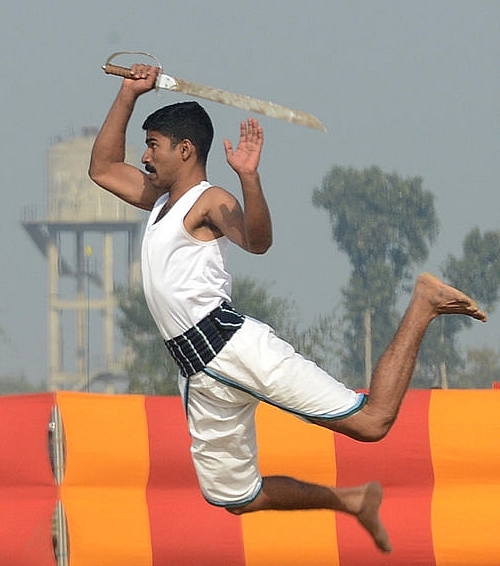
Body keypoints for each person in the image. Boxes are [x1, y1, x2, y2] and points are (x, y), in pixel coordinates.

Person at [87, 64, 487, 553]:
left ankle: (423, 303)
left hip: (231, 346)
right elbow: (102, 169)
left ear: (184, 150)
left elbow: (257, 242)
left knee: (372, 423)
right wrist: (129, 93)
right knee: (236, 497)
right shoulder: (158, 201)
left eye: (152, 144)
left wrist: (250, 180)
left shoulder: (207, 200)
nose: (144, 156)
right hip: (198, 374)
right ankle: (353, 501)